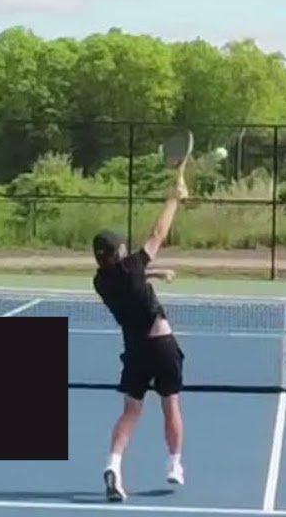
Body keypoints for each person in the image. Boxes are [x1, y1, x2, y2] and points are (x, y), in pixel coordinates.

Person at [92, 159, 189, 502]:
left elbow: (131, 279)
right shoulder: (131, 266)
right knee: (170, 405)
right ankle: (174, 464)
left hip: (135, 351)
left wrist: (155, 275)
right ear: (118, 253)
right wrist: (173, 199)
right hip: (161, 345)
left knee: (131, 412)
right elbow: (158, 234)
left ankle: (114, 465)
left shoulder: (101, 281)